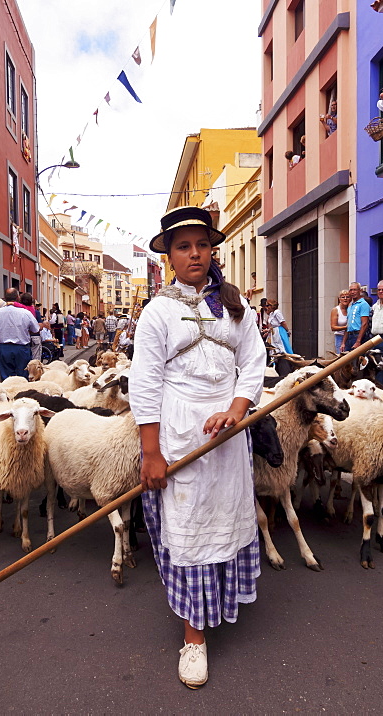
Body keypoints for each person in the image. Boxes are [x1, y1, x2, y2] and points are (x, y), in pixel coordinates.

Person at [132, 205, 265, 688]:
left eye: (202, 245)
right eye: (183, 246)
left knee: (224, 520)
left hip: (229, 436)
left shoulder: (237, 306)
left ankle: (221, 605)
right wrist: (151, 453)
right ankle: (194, 637)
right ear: (168, 254)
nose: (195, 254)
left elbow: (253, 363)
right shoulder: (157, 312)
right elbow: (144, 384)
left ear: (212, 250)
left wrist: (238, 408)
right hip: (180, 432)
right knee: (188, 530)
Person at [0, 289, 40, 379]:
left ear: (5, 298)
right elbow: (35, 329)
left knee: (6, 377)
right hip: (21, 348)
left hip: (4, 347)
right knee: (23, 376)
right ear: (18, 298)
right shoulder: (26, 313)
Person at [343, 282, 371, 351]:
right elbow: (348, 325)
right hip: (349, 336)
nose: (353, 292)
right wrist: (343, 342)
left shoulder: (363, 304)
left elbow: (364, 324)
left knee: (357, 360)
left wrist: (358, 341)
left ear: (360, 291)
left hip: (358, 336)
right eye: (351, 290)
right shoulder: (350, 305)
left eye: (355, 290)